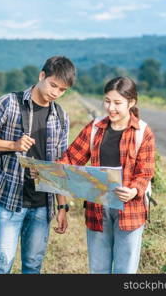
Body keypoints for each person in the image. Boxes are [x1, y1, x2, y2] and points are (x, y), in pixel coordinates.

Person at [0, 56, 75, 274]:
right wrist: (12, 145)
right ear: (41, 76)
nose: (56, 93)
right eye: (53, 85)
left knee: (33, 266)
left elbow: (59, 166)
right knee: (1, 266)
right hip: (9, 200)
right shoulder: (9, 103)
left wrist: (62, 206)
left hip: (42, 205)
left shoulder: (61, 117)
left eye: (62, 90)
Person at [57, 76, 155, 273]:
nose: (111, 108)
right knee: (98, 270)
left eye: (117, 103)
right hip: (98, 208)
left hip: (130, 211)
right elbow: (69, 160)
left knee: (124, 270)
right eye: (107, 101)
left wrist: (134, 190)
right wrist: (47, 172)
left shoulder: (142, 132)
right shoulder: (95, 128)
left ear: (131, 102)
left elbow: (145, 171)